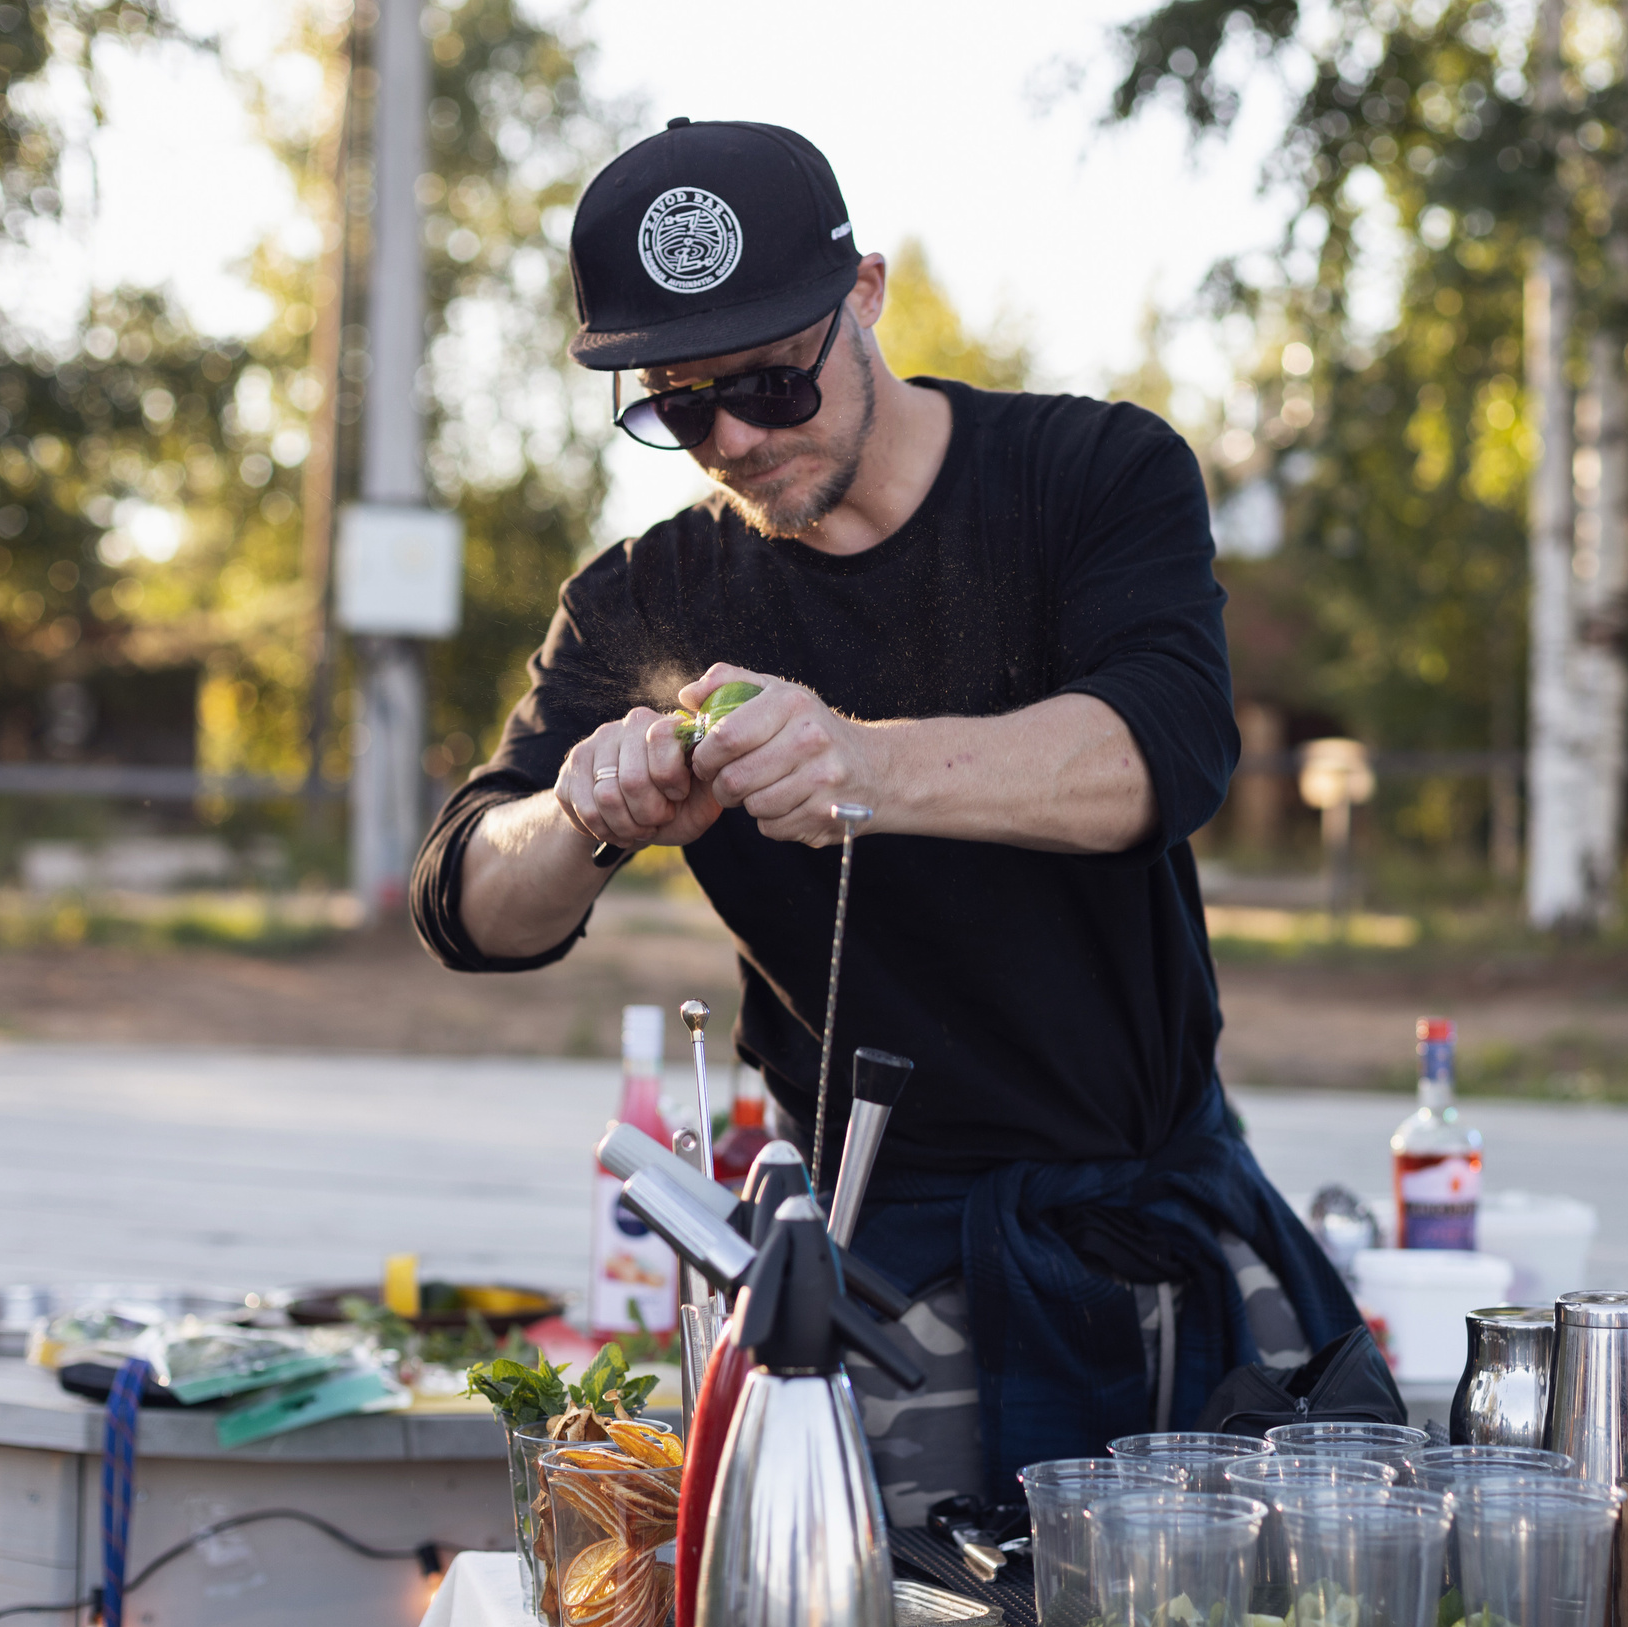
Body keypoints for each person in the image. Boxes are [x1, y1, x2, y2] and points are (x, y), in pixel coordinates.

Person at [409, 119, 1359, 1514]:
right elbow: (466, 902)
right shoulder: (640, 601)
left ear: (866, 294)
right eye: (678, 408)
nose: (732, 438)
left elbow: (1165, 753)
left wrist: (860, 763)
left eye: (769, 383)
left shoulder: (1090, 476)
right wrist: (582, 815)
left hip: (1163, 1210)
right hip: (872, 1245)